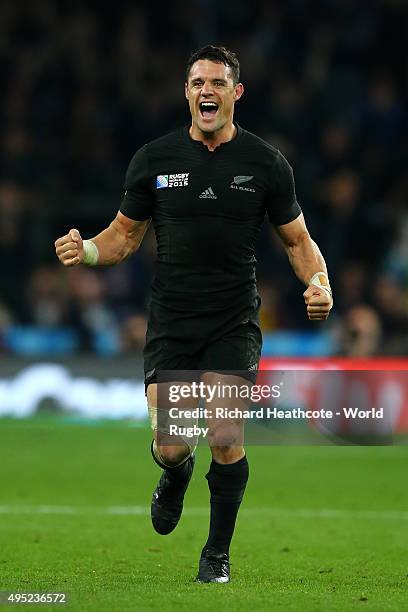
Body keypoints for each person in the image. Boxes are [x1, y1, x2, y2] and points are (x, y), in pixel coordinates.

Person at [55, 45, 333, 583]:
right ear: (186, 93)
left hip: (233, 321)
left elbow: (299, 243)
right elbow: (123, 237)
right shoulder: (155, 160)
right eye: (197, 83)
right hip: (174, 323)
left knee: (225, 436)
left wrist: (320, 282)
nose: (207, 91)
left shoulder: (266, 164)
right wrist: (85, 250)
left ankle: (216, 555)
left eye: (217, 83)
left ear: (236, 93)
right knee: (174, 442)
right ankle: (175, 474)